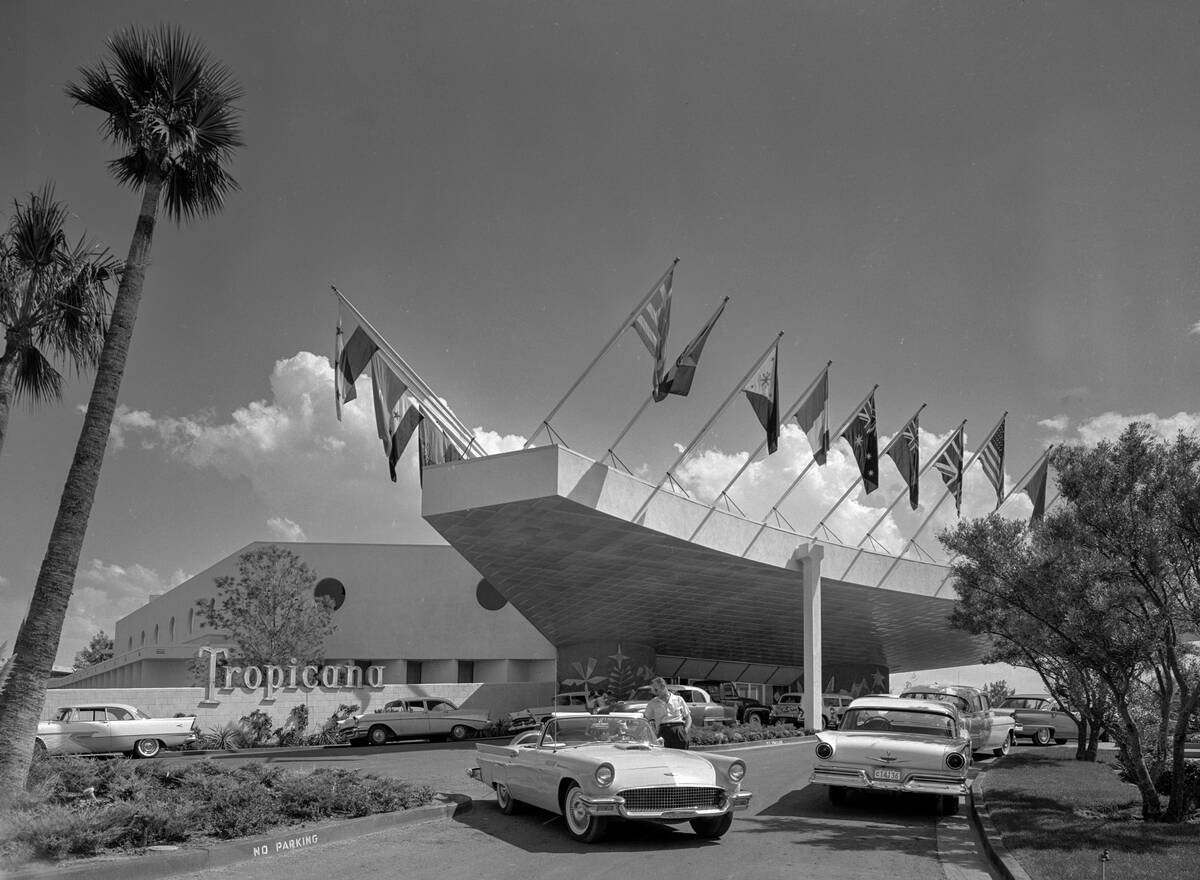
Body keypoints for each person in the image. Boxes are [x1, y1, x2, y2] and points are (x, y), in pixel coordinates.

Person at [643, 677, 691, 749]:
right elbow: (645, 720)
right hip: (663, 732)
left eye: (656, 690)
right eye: (652, 690)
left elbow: (688, 717)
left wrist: (685, 730)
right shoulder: (652, 703)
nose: (654, 692)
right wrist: (654, 733)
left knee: (682, 756)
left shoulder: (678, 699)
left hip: (679, 730)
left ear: (663, 687)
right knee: (665, 757)